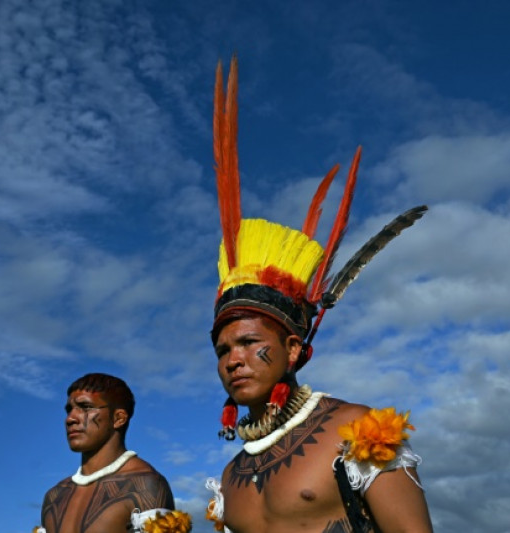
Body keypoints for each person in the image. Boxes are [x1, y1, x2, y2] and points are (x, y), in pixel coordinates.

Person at [204, 57, 433, 533]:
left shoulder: (360, 431)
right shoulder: (230, 479)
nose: (233, 359)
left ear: (293, 348)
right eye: (223, 349)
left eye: (248, 342)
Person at [37, 373, 190, 533]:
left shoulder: (145, 485)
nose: (70, 419)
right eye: (69, 409)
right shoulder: (54, 496)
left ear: (119, 418)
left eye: (86, 407)